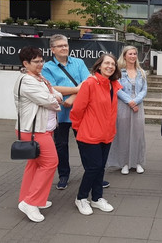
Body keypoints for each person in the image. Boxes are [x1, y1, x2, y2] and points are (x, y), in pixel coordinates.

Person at [42, 34, 109, 190]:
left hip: (81, 112)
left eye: (65, 45)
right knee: (61, 146)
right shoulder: (47, 67)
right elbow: (51, 88)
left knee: (86, 146)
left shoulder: (78, 63)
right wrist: (76, 89)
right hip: (60, 114)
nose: (64, 48)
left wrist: (72, 96)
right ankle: (64, 175)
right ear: (52, 49)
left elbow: (88, 82)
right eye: (60, 46)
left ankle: (92, 175)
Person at [14, 46, 63, 222]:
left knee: (34, 165)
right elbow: (50, 100)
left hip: (41, 130)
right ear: (25, 63)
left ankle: (30, 198)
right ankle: (31, 202)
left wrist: (54, 97)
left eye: (41, 60)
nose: (40, 64)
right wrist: (55, 100)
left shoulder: (39, 78)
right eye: (36, 61)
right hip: (35, 131)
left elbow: (54, 94)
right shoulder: (27, 81)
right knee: (51, 163)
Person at [70, 54, 122, 215]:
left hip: (106, 134)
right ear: (99, 65)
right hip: (89, 134)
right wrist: (80, 129)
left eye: (113, 64)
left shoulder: (113, 84)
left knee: (100, 168)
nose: (110, 66)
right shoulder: (90, 83)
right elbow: (77, 110)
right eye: (106, 63)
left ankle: (97, 198)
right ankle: (81, 197)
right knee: (93, 167)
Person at [106, 46, 147, 175]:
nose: (133, 56)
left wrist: (136, 101)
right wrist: (130, 101)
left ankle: (137, 162)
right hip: (123, 106)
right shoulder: (118, 72)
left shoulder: (141, 72)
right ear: (124, 56)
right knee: (123, 134)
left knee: (138, 135)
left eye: (135, 54)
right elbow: (116, 88)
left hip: (138, 106)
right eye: (130, 54)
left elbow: (144, 90)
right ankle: (124, 163)